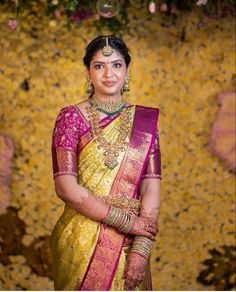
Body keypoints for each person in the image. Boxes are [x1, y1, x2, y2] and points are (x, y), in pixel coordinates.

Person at [50, 35, 162, 291]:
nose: (108, 73)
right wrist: (128, 222)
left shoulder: (145, 123)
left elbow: (151, 188)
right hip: (81, 239)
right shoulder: (71, 118)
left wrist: (141, 249)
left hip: (131, 243)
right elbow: (65, 187)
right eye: (99, 65)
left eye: (116, 65)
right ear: (88, 71)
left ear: (127, 70)